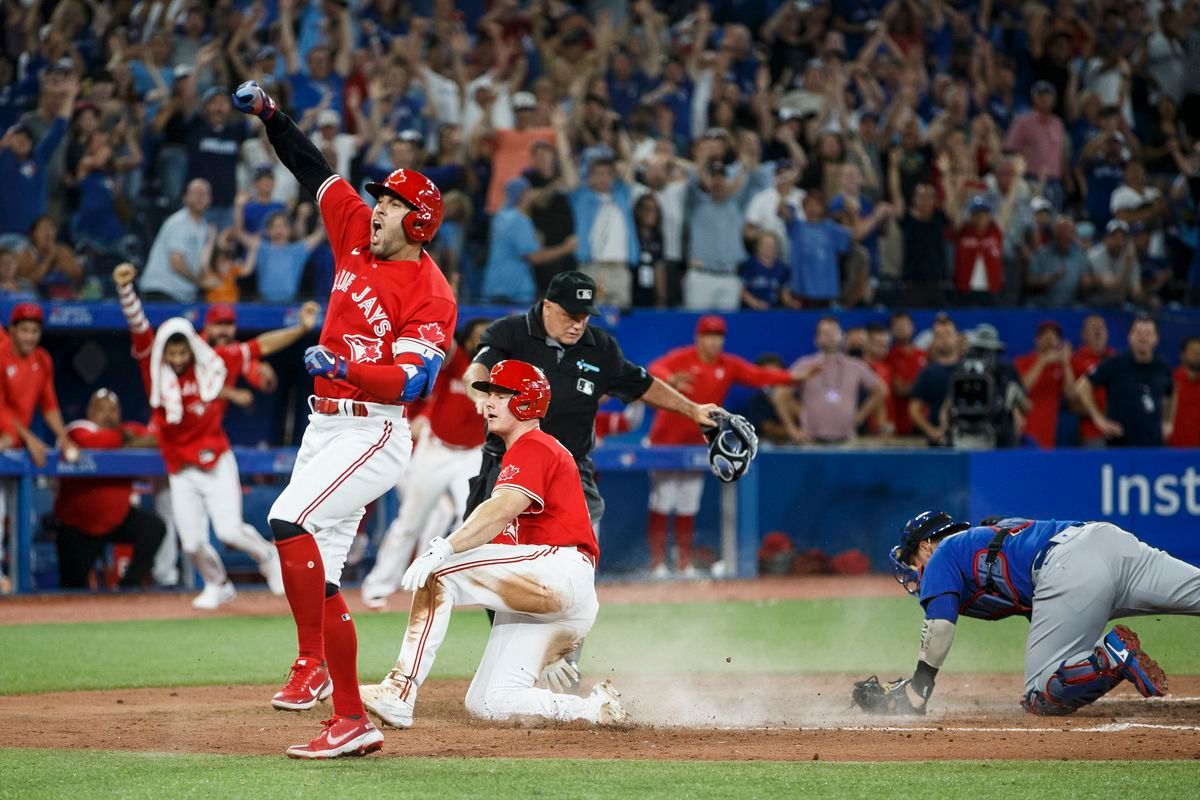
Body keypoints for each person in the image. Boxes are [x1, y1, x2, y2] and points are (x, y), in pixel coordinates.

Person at [232, 80, 456, 759]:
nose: (377, 209)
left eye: (391, 203)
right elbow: (311, 167)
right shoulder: (355, 230)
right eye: (381, 198)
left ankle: (347, 708)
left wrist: (343, 366)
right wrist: (272, 115)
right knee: (320, 577)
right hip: (324, 426)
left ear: (418, 222)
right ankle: (323, 679)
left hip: (374, 429)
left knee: (286, 519)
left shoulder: (432, 293)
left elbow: (412, 380)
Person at [454, 270, 722, 683]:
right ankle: (522, 655)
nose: (579, 322)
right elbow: (477, 369)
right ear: (547, 306)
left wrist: (693, 410)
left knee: (572, 567)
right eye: (570, 313)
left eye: (585, 314)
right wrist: (480, 394)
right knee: (492, 560)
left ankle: (564, 660)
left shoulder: (600, 347)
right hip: (506, 465)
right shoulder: (511, 332)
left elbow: (642, 384)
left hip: (569, 469)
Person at [358, 360, 626, 730]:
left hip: (559, 570)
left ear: (527, 402)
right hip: (553, 594)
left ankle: (398, 691)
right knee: (489, 701)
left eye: (501, 394)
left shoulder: (534, 445)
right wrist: (550, 647)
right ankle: (592, 710)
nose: (489, 402)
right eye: (488, 394)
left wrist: (445, 548)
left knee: (439, 573)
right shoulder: (523, 451)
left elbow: (502, 508)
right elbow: (495, 561)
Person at [114, 263, 315, 610]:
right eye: (171, 353)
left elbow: (260, 346)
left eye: (182, 352)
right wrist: (125, 290)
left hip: (216, 459)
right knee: (191, 543)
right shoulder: (154, 372)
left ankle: (267, 555)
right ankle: (218, 583)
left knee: (229, 532)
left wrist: (300, 327)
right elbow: (139, 326)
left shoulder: (214, 362)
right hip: (181, 467)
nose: (177, 359)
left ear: (192, 348)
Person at [881, 511, 1198, 717]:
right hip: (1108, 541)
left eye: (910, 558)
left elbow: (939, 627)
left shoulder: (941, 554)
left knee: (1040, 694)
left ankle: (1111, 657)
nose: (911, 570)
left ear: (925, 547)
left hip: (1068, 568)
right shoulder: (987, 536)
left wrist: (917, 688)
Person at [645, 315, 805, 577]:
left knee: (688, 503)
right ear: (699, 338)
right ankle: (657, 565)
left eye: (719, 337)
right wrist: (669, 380)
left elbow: (759, 375)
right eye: (709, 336)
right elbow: (655, 368)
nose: (714, 342)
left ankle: (684, 565)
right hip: (665, 441)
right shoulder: (682, 357)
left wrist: (793, 378)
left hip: (699, 443)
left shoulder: (727, 364)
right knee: (663, 501)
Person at [360, 319, 492, 609]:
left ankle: (460, 586)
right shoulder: (458, 360)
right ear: (468, 339)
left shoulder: (497, 370)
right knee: (409, 521)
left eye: (488, 336)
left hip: (472, 454)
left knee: (473, 521)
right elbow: (447, 339)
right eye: (478, 336)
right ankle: (378, 587)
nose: (482, 341)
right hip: (436, 450)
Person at [53, 389, 165, 590]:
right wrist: (128, 442)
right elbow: (91, 442)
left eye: (113, 409)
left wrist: (127, 441)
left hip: (117, 520)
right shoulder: (76, 429)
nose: (108, 414)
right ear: (90, 410)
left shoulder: (126, 429)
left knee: (153, 527)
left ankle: (128, 585)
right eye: (101, 409)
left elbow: (158, 439)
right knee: (71, 590)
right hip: (78, 526)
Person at [1074, 316, 1175, 447]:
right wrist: (1099, 419)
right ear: (1129, 337)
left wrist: (1168, 421)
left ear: (1156, 338)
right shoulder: (1115, 363)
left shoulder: (1162, 367)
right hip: (1120, 445)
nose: (1143, 337)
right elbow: (1082, 386)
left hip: (1154, 445)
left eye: (1148, 333)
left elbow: (1172, 392)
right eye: (1138, 333)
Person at [0, 303, 77, 468]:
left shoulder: (42, 360)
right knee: (6, 441)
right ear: (12, 329)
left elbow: (49, 405)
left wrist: (63, 438)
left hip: (16, 436)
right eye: (24, 330)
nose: (30, 337)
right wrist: (29, 437)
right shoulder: (1, 355)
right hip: (8, 435)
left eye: (35, 331)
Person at [789, 317, 886, 444]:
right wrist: (792, 429)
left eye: (834, 332)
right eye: (825, 333)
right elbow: (780, 395)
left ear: (842, 336)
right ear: (816, 339)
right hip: (811, 439)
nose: (830, 337)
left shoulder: (856, 366)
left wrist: (859, 418)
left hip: (846, 439)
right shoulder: (804, 365)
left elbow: (880, 391)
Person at [138, 178, 217, 302]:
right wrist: (199, 282)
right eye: (196, 193)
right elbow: (176, 262)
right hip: (161, 291)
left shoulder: (204, 227)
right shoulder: (179, 222)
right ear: (185, 197)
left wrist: (211, 242)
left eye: (205, 193)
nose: (200, 197)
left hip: (183, 296)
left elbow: (202, 265)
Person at [1014, 321, 1076, 449]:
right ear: (1037, 340)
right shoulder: (1023, 362)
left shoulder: (1061, 366)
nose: (1050, 340)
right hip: (1025, 432)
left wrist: (1066, 364)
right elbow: (1021, 389)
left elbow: (1071, 395)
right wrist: (1042, 362)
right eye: (1045, 336)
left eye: (1054, 336)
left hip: (1049, 434)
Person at [909, 315, 961, 446]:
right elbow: (914, 409)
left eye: (948, 334)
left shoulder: (968, 369)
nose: (944, 339)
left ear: (957, 337)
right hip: (939, 441)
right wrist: (931, 431)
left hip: (967, 437)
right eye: (939, 335)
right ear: (933, 341)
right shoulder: (927, 373)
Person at [1069, 315, 1116, 447]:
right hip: (1092, 432)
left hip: (1119, 429)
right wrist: (1099, 415)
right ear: (1083, 335)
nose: (1098, 332)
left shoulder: (1116, 359)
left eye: (1101, 328)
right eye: (1093, 329)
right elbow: (1071, 401)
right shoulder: (1076, 360)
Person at [884, 312, 926, 438]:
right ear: (892, 329)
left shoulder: (922, 355)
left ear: (912, 327)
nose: (902, 328)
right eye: (898, 325)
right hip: (900, 423)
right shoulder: (889, 357)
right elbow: (899, 389)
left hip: (923, 422)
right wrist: (923, 388)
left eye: (905, 325)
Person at [1168, 337, 1200, 447]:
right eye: (1193, 351)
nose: (1197, 354)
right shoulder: (1171, 381)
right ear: (1182, 354)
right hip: (1172, 449)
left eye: (1199, 351)